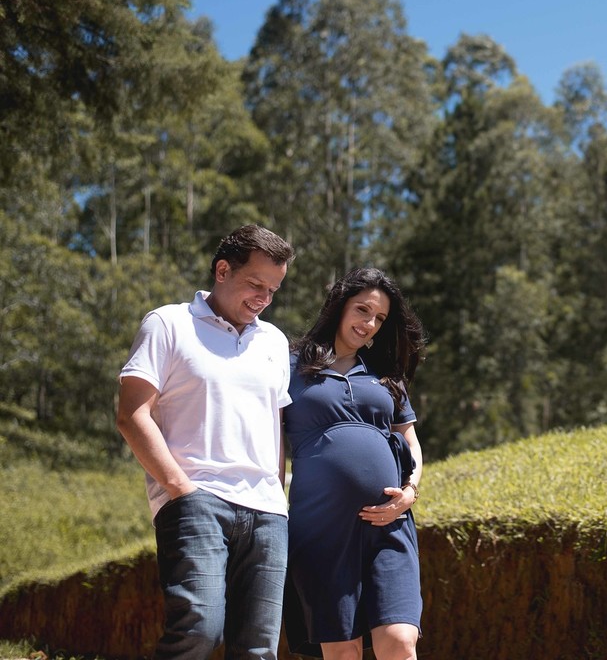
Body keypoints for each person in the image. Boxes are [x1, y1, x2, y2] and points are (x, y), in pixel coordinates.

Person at [116, 224, 296, 660]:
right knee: (198, 631)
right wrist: (180, 489)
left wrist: (279, 495)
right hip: (197, 501)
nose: (263, 299)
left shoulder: (273, 341)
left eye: (273, 290)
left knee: (257, 650)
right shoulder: (169, 323)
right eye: (255, 284)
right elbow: (131, 414)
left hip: (268, 511)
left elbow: (274, 427)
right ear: (221, 270)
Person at [284, 267, 427, 660]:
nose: (369, 324)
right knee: (343, 651)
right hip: (321, 528)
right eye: (362, 310)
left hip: (389, 523)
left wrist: (411, 492)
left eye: (379, 318)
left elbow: (410, 441)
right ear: (339, 306)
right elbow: (271, 443)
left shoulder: (386, 376)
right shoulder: (289, 366)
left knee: (399, 640)